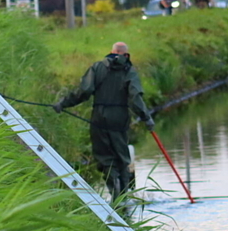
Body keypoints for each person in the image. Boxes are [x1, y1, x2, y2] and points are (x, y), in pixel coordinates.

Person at [54, 42, 154, 202]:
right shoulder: (129, 71)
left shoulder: (98, 67)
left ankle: (113, 189)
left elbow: (84, 91)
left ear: (111, 52)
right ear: (126, 55)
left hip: (99, 117)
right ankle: (123, 200)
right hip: (120, 118)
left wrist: (63, 103)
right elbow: (135, 97)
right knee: (121, 158)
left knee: (104, 157)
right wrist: (146, 117)